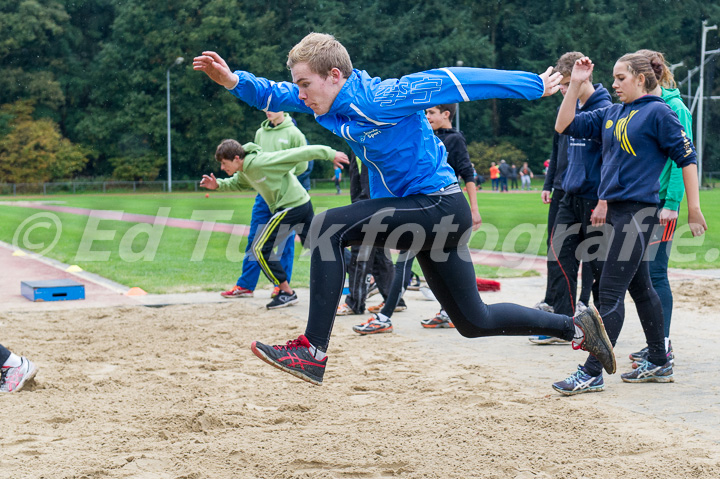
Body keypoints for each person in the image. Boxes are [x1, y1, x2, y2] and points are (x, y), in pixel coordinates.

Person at [194, 32, 616, 386]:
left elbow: (454, 79)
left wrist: (529, 85)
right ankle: (575, 326)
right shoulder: (328, 100)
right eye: (299, 86)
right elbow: (277, 93)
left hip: (437, 205)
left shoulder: (382, 96)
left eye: (306, 84)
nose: (301, 95)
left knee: (325, 227)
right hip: (432, 214)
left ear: (334, 76)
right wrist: (233, 80)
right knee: (474, 321)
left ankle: (312, 350)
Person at [551, 54, 706, 395]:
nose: (615, 84)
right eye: (614, 78)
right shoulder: (612, 112)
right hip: (616, 211)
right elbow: (564, 125)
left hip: (638, 212)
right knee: (640, 286)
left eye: (621, 78)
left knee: (609, 293)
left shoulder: (659, 112)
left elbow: (687, 158)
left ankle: (592, 372)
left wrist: (692, 208)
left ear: (641, 78)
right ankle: (659, 359)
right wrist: (575, 82)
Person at [352, 103, 480, 334]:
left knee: (410, 262)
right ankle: (440, 312)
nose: (427, 116)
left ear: (446, 114)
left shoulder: (455, 139)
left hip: (442, 209)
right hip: (422, 209)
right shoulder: (425, 135)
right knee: (422, 265)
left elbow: (467, 174)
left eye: (431, 112)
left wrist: (474, 209)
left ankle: (385, 316)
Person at [200, 138, 348, 309]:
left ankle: (286, 292)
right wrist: (218, 184)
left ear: (236, 158)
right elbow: (237, 183)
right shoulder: (244, 170)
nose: (222, 168)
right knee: (320, 245)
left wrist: (330, 154)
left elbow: (299, 153)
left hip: (292, 206)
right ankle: (364, 271)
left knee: (260, 248)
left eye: (224, 163)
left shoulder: (261, 162)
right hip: (300, 203)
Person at [530, 51, 613, 345]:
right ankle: (563, 325)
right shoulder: (570, 107)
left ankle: (604, 327)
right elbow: (559, 139)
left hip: (595, 199)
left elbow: (611, 160)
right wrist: (554, 184)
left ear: (584, 77)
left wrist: (603, 200)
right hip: (569, 195)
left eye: (568, 83)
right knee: (559, 258)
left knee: (600, 267)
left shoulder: (605, 108)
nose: (564, 89)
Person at [627, 49, 693, 367]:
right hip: (645, 201)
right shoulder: (643, 107)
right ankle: (655, 342)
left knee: (656, 273)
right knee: (645, 275)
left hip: (662, 204)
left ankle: (662, 345)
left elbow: (685, 161)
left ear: (644, 76)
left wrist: (672, 204)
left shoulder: (675, 107)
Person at [221, 110, 306, 299]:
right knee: (255, 238)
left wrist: (282, 178)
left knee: (284, 242)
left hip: (285, 196)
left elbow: (303, 165)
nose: (268, 111)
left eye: (272, 107)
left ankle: (281, 286)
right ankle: (246, 285)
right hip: (263, 195)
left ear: (283, 108)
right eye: (265, 108)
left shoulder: (294, 133)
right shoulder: (260, 133)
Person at [336, 151, 398, 317]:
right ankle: (393, 299)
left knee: (361, 249)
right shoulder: (354, 139)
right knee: (379, 251)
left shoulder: (367, 135)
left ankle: (355, 302)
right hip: (367, 201)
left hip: (371, 203)